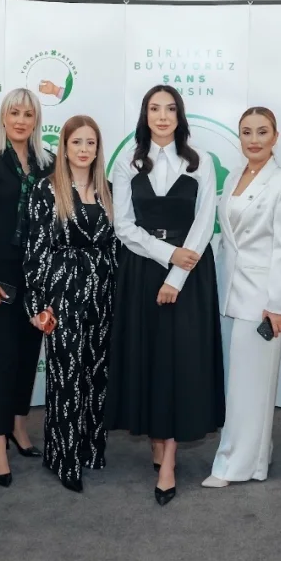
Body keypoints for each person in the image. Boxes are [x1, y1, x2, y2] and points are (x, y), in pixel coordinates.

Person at [104, 84, 225, 506]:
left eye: (170, 109)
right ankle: (157, 437)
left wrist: (175, 275)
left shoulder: (200, 161)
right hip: (141, 269)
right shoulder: (127, 161)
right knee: (149, 359)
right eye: (154, 109)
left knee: (179, 363)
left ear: (180, 115)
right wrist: (166, 253)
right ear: (145, 115)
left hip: (189, 274)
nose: (162, 116)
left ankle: (169, 461)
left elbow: (205, 221)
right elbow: (123, 226)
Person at [204, 108, 281, 489]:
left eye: (262, 132)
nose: (254, 140)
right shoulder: (233, 177)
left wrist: (278, 304)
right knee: (237, 385)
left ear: (276, 137)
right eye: (247, 132)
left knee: (251, 388)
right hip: (228, 292)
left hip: (262, 298)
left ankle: (235, 466)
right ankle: (254, 459)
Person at [23, 115, 119, 493]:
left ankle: (90, 448)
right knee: (66, 378)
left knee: (97, 375)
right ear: (63, 147)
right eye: (77, 142)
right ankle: (63, 458)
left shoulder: (109, 190)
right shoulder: (46, 190)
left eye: (90, 143)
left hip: (102, 293)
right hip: (62, 294)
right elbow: (36, 249)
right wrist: (37, 303)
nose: (83, 149)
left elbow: (116, 247)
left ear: (98, 149)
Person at [0, 88, 54, 486]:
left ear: (36, 120)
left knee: (28, 354)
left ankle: (19, 426)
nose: (20, 120)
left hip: (37, 275)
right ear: (4, 117)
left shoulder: (48, 162)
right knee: (4, 358)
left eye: (28, 114)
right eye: (14, 113)